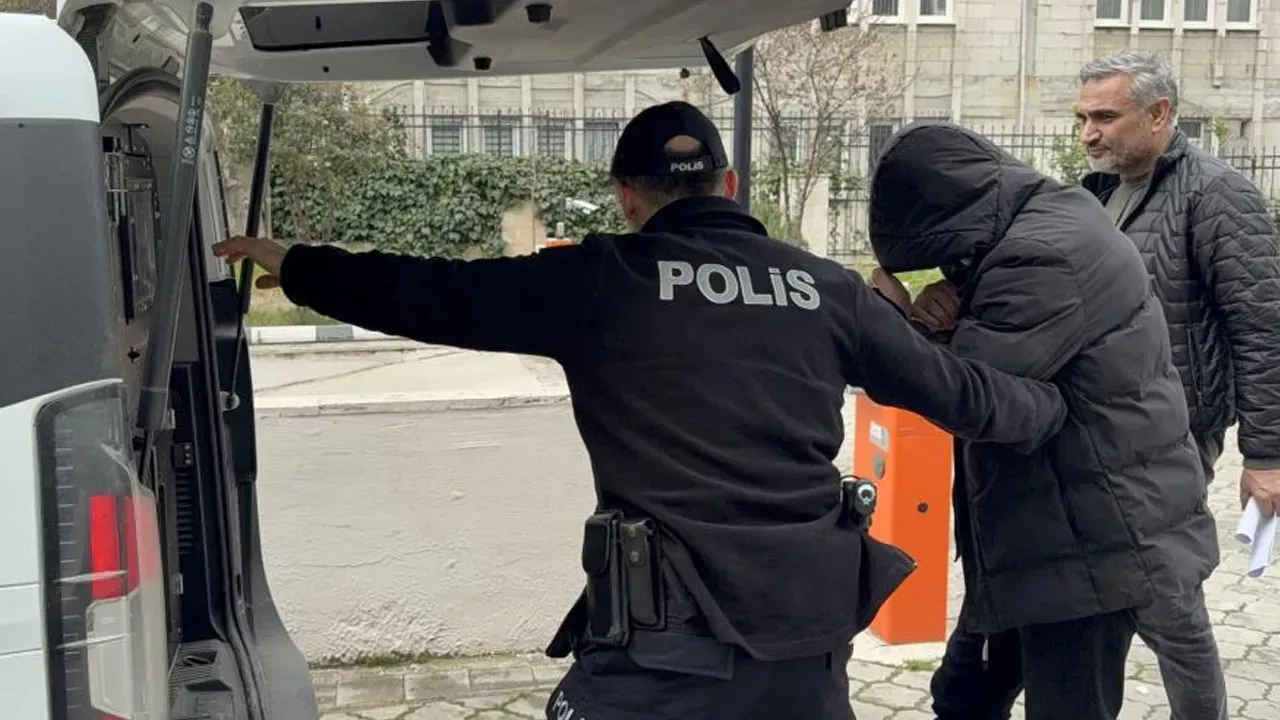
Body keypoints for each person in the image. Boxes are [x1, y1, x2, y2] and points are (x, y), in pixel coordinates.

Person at [213, 101, 1071, 720]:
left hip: (669, 652)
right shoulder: (825, 287)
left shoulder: (602, 280)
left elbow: (434, 292)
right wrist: (1067, 404)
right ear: (730, 184)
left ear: (628, 197)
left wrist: (302, 265)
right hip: (807, 638)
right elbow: (968, 398)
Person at [868, 121, 1219, 720]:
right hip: (1043, 531)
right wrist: (947, 321)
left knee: (1061, 704)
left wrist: (891, 327)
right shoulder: (1042, 219)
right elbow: (1008, 368)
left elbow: (981, 401)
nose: (945, 268)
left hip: (1089, 545)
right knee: (963, 694)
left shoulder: (1042, 253)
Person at [1074, 48, 1279, 720]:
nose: (1089, 133)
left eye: (1106, 117)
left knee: (1165, 599)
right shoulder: (1095, 194)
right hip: (1098, 433)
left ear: (1159, 113)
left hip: (1173, 438)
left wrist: (1266, 455)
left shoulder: (1216, 193)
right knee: (1103, 596)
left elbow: (1261, 326)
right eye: (1083, 118)